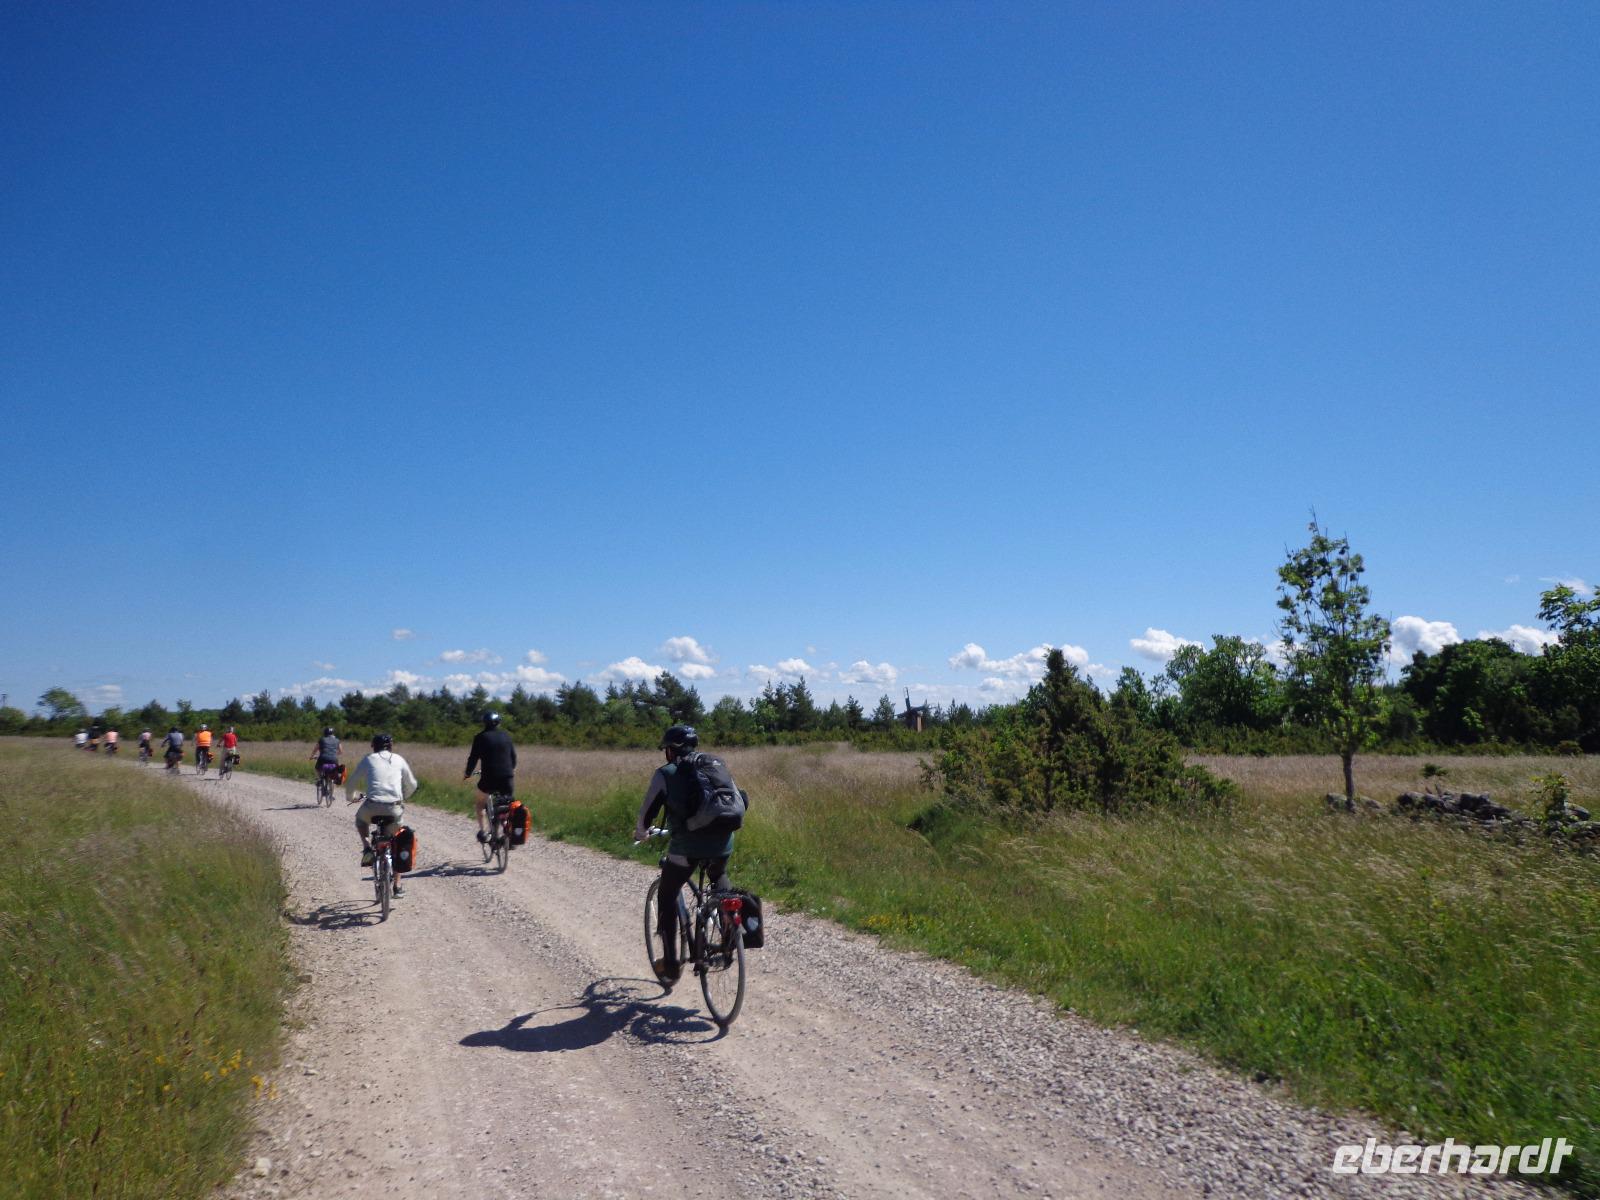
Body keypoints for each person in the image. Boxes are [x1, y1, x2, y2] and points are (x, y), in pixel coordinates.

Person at [633, 724, 736, 984]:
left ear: (671, 750)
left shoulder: (665, 773)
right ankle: (729, 938)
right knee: (718, 876)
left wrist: (641, 832)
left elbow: (647, 814)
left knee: (667, 894)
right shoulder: (714, 765)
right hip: (724, 843)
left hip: (687, 847)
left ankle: (670, 965)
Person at [346, 732, 418, 896]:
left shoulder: (368, 759)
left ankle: (366, 849)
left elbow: (351, 782)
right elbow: (412, 784)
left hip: (372, 807)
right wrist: (403, 797)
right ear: (391, 746)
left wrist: (352, 797)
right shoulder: (399, 759)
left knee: (360, 820)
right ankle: (397, 886)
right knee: (396, 842)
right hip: (394, 808)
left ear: (374, 746)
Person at [463, 711, 516, 844]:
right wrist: (511, 769)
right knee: (507, 804)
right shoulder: (506, 736)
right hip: (507, 777)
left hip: (489, 778)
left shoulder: (480, 737)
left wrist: (467, 773)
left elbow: (473, 758)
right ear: (498, 722)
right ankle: (507, 828)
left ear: (484, 723)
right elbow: (513, 757)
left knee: (480, 804)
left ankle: (484, 832)